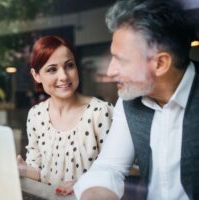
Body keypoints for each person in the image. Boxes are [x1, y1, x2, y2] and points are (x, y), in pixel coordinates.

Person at [74, 0, 199, 199]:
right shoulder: (130, 99)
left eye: (121, 60)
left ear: (160, 63)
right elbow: (109, 167)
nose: (110, 71)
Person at [17, 35, 114, 195]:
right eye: (52, 69)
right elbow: (40, 172)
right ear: (36, 75)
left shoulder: (100, 112)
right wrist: (23, 169)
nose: (64, 76)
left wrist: (83, 183)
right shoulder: (36, 114)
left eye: (69, 65)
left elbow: (113, 172)